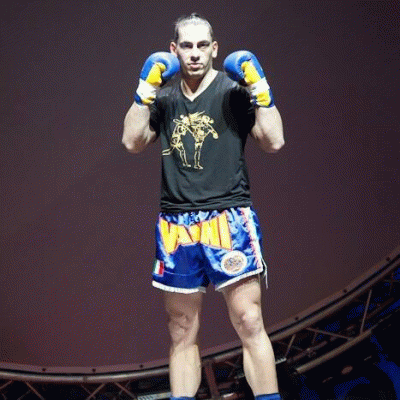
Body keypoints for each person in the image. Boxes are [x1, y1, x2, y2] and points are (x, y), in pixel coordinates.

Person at [122, 13, 284, 400]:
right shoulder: (164, 98)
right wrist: (144, 89)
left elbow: (273, 140)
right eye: (186, 46)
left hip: (229, 216)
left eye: (201, 46)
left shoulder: (233, 90)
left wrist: (261, 89)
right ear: (174, 50)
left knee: (249, 319)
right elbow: (132, 141)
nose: (194, 54)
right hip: (176, 223)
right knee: (181, 328)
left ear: (214, 49)